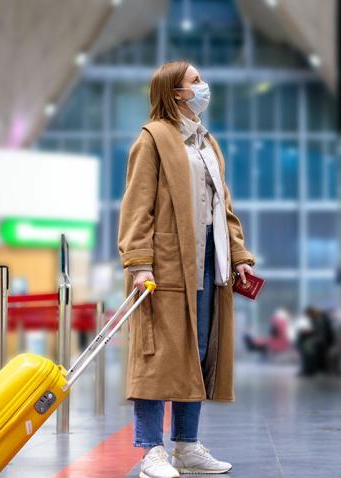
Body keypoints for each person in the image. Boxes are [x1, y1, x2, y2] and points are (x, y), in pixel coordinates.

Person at [118, 60, 256, 478]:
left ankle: (186, 446)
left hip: (206, 266)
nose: (203, 86)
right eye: (195, 81)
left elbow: (224, 209)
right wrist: (139, 264)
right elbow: (136, 208)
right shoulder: (153, 139)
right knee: (158, 357)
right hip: (164, 270)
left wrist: (238, 256)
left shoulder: (207, 143)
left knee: (193, 357)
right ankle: (150, 452)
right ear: (176, 92)